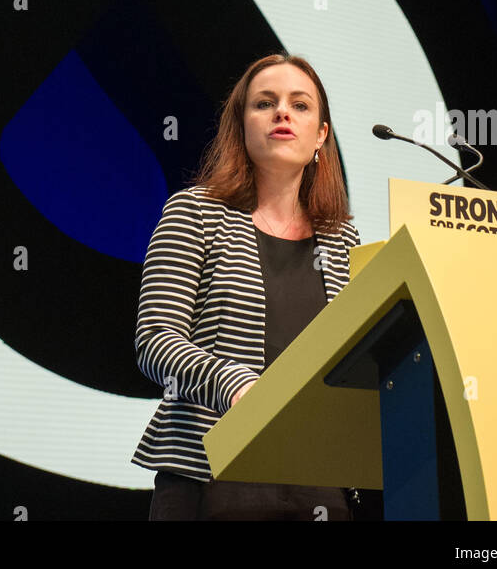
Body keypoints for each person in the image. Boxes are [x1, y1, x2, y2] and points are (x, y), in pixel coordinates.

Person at [131, 50, 362, 520]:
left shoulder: (343, 240)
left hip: (318, 478)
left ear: (321, 135)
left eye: (300, 105)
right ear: (240, 125)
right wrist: (235, 385)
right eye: (265, 103)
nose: (282, 112)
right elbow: (155, 342)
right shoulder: (194, 213)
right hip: (211, 473)